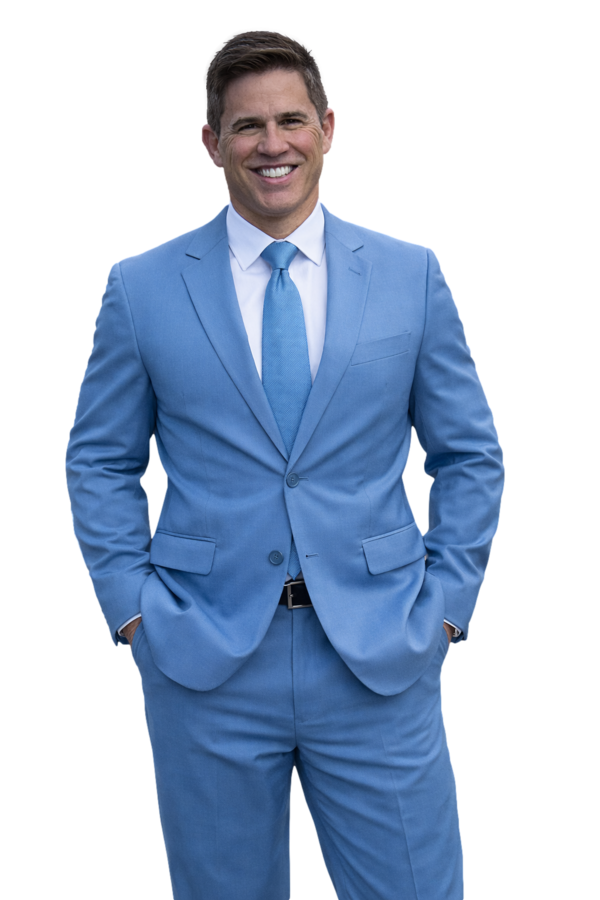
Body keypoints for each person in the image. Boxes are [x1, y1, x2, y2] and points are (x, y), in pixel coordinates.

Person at [64, 24, 506, 900]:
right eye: (248, 126)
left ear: (329, 129)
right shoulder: (140, 286)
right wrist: (135, 615)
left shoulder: (411, 273)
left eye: (292, 120)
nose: (274, 145)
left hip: (380, 655)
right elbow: (100, 461)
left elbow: (469, 454)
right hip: (203, 659)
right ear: (210, 143)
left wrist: (447, 612)